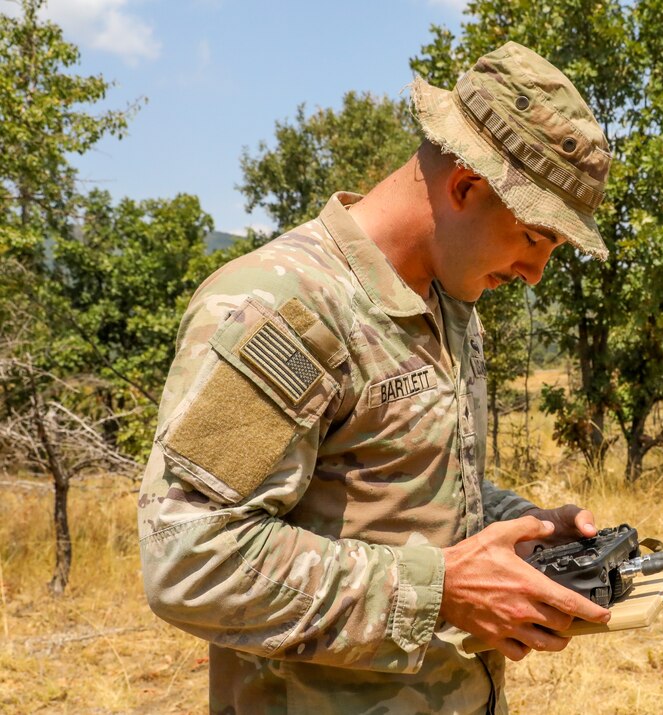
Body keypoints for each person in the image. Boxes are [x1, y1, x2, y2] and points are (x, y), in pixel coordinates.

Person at [138, 41, 614, 714]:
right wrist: (438, 590)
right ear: (466, 186)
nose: (536, 272)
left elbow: (403, 487)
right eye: (536, 237)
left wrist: (524, 528)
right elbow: (188, 557)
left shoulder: (451, 304)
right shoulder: (281, 308)